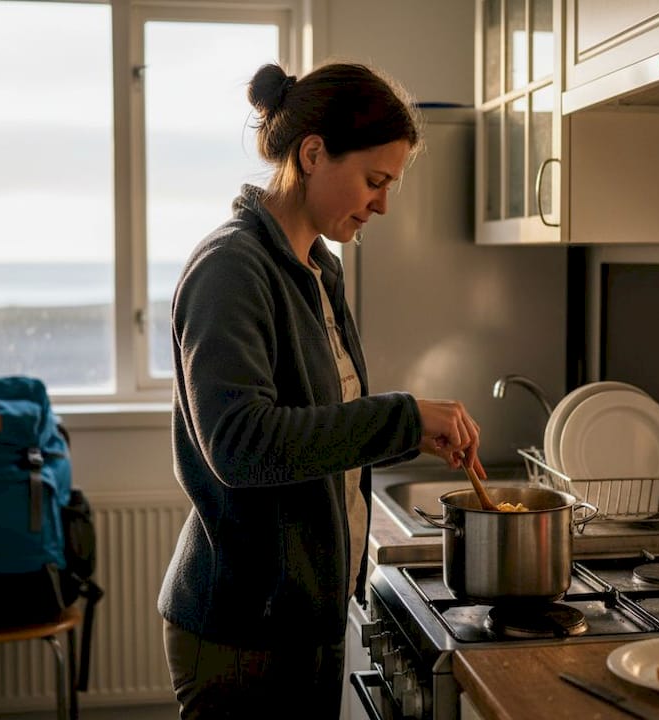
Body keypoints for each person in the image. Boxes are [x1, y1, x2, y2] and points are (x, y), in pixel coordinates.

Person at [158, 61, 488, 718]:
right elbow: (241, 445)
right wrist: (402, 418)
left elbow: (316, 424)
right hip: (244, 631)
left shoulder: (315, 269)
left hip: (305, 615)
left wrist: (409, 433)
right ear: (312, 155)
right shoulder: (230, 270)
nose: (383, 204)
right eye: (374, 180)